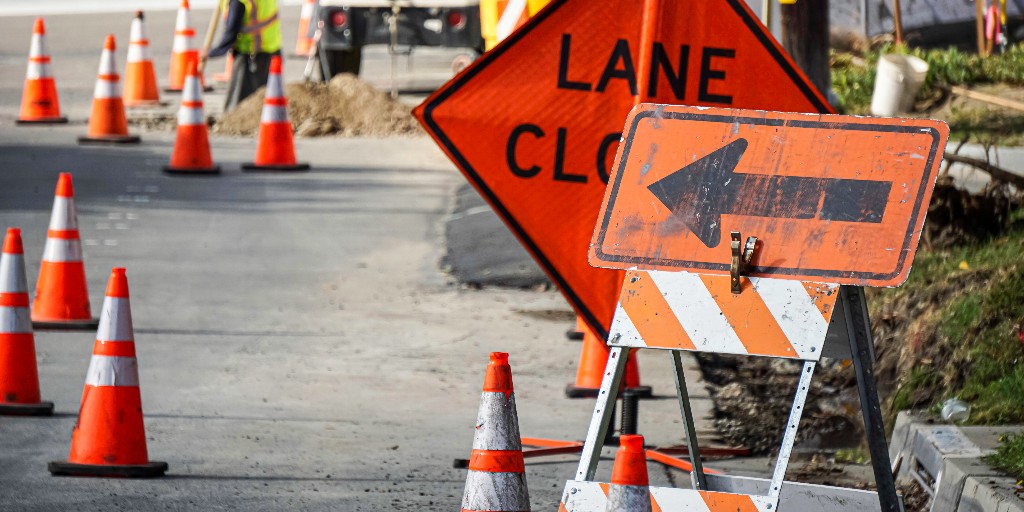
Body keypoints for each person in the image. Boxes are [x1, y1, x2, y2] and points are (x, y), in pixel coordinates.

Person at [204, 0, 282, 111]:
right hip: (272, 48)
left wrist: (212, 52)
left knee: (237, 105)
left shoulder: (238, 2)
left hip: (251, 53)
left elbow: (231, 31)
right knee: (268, 101)